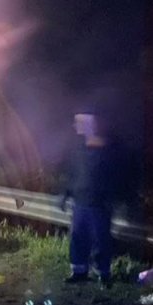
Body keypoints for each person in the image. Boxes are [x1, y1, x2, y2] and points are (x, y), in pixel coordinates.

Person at [60, 109, 123, 289]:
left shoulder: (106, 150)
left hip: (99, 203)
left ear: (89, 125)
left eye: (78, 123)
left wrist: (111, 198)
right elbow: (73, 174)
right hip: (80, 202)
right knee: (78, 238)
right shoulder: (78, 149)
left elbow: (113, 177)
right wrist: (65, 194)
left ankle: (103, 274)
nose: (75, 126)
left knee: (101, 240)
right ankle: (79, 272)